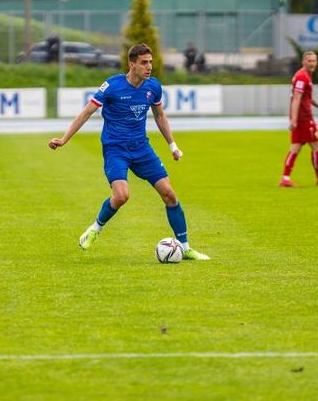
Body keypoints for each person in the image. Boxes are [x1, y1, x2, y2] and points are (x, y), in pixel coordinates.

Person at [48, 43, 210, 260]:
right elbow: (87, 112)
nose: (149, 67)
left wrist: (173, 146)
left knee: (169, 194)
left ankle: (185, 246)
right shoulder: (112, 86)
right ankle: (95, 228)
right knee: (122, 196)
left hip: (142, 148)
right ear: (131, 64)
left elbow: (160, 116)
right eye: (144, 63)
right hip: (116, 149)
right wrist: (64, 139)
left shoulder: (153, 87)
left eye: (150, 62)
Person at [280, 50, 318, 187]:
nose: (312, 63)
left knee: (295, 147)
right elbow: (296, 98)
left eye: (314, 61)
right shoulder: (302, 77)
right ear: (303, 62)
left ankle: (285, 178)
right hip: (303, 118)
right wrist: (294, 120)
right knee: (316, 146)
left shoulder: (306, 76)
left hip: (301, 117)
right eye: (309, 61)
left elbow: (308, 98)